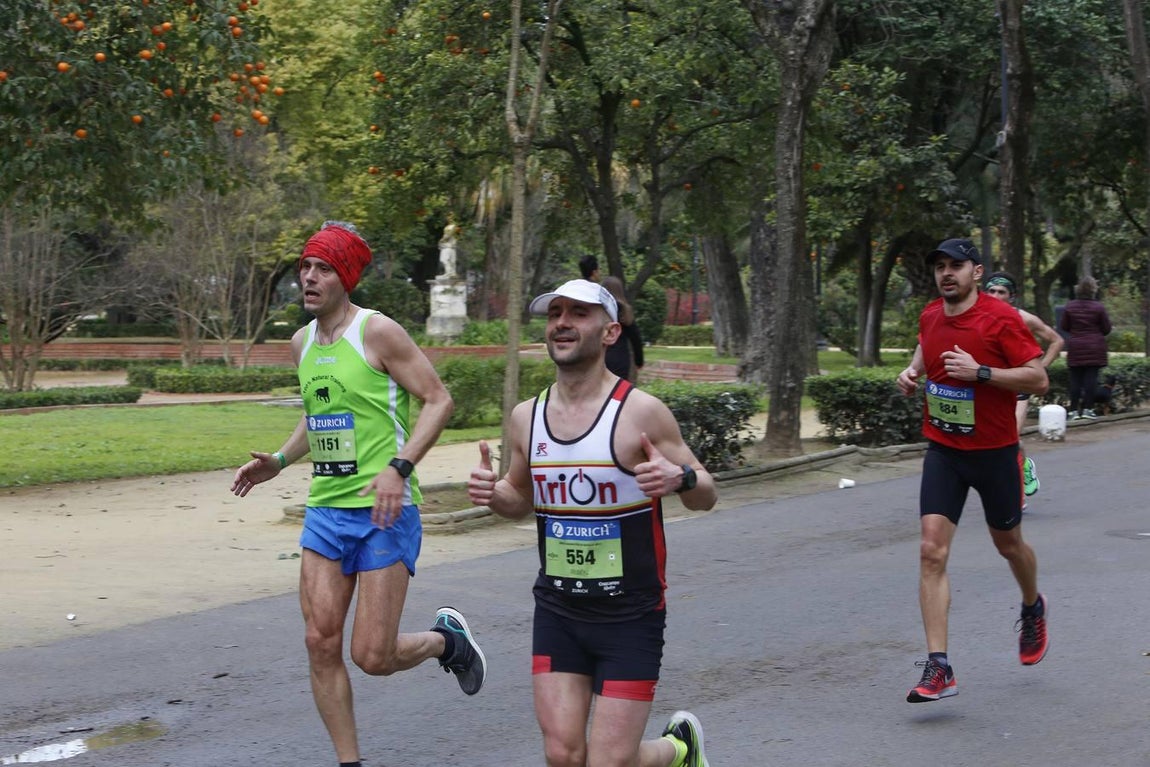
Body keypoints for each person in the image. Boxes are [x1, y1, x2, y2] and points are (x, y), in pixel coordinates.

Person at [230, 221, 486, 767]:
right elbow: (318, 416)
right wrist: (278, 460)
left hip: (383, 512)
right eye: (305, 266)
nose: (309, 277)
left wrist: (399, 466)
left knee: (372, 655)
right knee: (320, 642)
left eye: (322, 268)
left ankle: (448, 642)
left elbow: (438, 400)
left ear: (345, 276)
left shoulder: (377, 332)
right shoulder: (302, 342)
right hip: (326, 510)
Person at [467, 277, 715, 766]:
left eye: (578, 313)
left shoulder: (641, 413)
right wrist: (492, 495)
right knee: (563, 756)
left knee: (609, 763)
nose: (562, 322)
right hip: (559, 610)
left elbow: (706, 494)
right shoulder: (526, 417)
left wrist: (681, 477)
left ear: (609, 333)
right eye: (555, 313)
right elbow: (520, 497)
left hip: (631, 615)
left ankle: (679, 749)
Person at [896, 238, 1050, 704]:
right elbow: (927, 347)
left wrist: (982, 373)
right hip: (944, 448)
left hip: (994, 452)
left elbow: (1038, 377)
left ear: (976, 272)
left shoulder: (1001, 319)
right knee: (930, 551)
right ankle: (939, 667)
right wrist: (911, 371)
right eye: (940, 266)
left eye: (956, 266)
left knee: (1009, 544)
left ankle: (1032, 605)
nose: (947, 273)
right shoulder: (929, 315)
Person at [983, 272, 1064, 500]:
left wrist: (1041, 368)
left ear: (1012, 296)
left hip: (1019, 386)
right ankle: (1024, 463)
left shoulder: (1023, 318)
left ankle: (1016, 497)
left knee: (1012, 437)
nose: (996, 296)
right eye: (991, 291)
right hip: (993, 386)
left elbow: (1057, 340)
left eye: (1002, 292)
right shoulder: (979, 316)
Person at [1059, 275, 1112, 420]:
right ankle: (1088, 409)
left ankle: (1073, 411)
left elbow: (1064, 326)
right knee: (1091, 380)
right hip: (1095, 346)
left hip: (1076, 346)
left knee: (1075, 380)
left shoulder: (1070, 306)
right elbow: (1107, 328)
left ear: (1078, 289)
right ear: (1093, 289)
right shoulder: (1099, 307)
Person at [602, 274, 645, 382]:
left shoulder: (600, 309)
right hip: (620, 356)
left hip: (602, 355)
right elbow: (636, 338)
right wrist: (639, 361)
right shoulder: (625, 310)